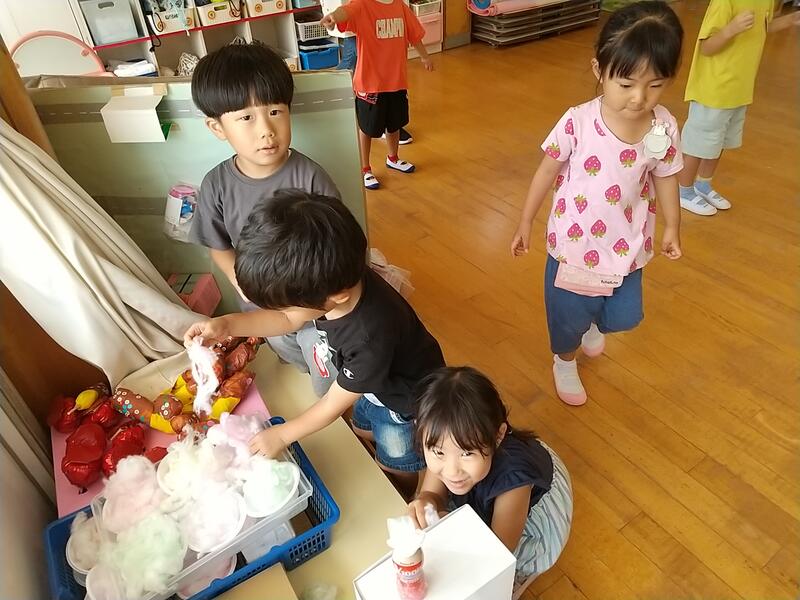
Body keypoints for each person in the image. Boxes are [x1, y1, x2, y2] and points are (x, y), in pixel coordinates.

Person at [184, 190, 445, 498]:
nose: (285, 313)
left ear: (336, 297)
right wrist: (226, 325)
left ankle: (402, 491)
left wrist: (283, 435)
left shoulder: (368, 337)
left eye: (289, 306)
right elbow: (287, 319)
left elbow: (332, 404)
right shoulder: (335, 282)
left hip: (403, 406)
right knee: (362, 429)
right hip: (373, 385)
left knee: (395, 461)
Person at [509, 1, 684, 406]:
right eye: (626, 84)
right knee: (567, 319)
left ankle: (592, 326)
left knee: (624, 316)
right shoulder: (578, 122)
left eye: (655, 84)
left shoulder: (663, 126)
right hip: (575, 247)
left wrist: (673, 226)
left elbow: (666, 174)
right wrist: (525, 220)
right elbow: (546, 171)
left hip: (627, 246)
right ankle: (564, 360)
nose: (639, 97)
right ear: (599, 71)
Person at [189, 42, 340, 397]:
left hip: (315, 308)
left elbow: (337, 247)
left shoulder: (310, 177)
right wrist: (238, 279)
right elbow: (218, 245)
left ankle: (335, 404)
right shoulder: (216, 185)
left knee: (324, 369)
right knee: (287, 351)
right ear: (217, 127)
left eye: (275, 111)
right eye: (246, 118)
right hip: (261, 307)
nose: (266, 130)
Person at [407, 367, 572, 600]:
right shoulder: (446, 450)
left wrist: (456, 536)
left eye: (466, 453)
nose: (451, 470)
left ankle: (522, 575)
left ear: (498, 436)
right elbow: (431, 494)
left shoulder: (514, 480)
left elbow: (498, 551)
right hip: (493, 479)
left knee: (502, 567)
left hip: (529, 506)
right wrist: (426, 501)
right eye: (438, 452)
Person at [678, 0, 800, 215]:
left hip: (739, 89)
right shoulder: (725, 2)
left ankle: (703, 184)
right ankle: (683, 190)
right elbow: (706, 47)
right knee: (700, 142)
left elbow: (763, 27)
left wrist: (791, 19)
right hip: (713, 90)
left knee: (720, 141)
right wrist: (731, 29)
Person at [321, 0, 433, 190]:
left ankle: (393, 158)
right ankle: (365, 169)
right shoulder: (362, 4)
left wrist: (424, 56)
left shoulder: (400, 6)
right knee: (367, 128)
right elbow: (345, 12)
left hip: (396, 81)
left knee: (394, 123)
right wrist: (333, 17)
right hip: (370, 84)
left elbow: (414, 35)